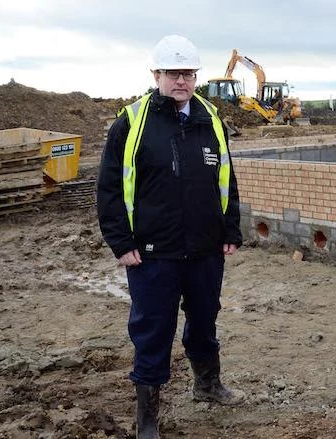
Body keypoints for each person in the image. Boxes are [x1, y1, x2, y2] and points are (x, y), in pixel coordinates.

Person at [96, 34, 244, 438]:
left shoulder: (210, 119)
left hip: (204, 248)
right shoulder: (132, 122)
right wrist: (121, 243)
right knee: (152, 329)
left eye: (189, 74)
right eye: (174, 73)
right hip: (152, 252)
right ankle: (147, 418)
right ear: (156, 75)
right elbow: (109, 187)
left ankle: (208, 384)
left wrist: (230, 228)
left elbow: (226, 178)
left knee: (204, 320)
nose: (182, 81)